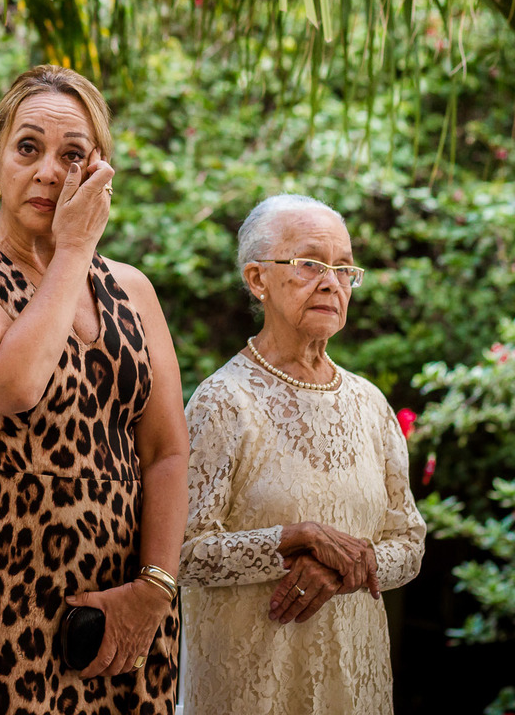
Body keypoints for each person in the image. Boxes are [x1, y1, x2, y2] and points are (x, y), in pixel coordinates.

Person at [0, 65, 190, 714]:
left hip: (131, 602)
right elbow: (15, 384)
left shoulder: (133, 289)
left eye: (72, 156)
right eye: (28, 147)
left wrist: (155, 588)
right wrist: (71, 251)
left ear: (100, 174)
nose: (47, 171)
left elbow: (168, 450)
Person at [179, 194, 426, 715]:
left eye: (343, 269)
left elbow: (408, 542)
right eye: (311, 263)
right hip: (250, 687)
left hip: (355, 685)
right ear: (257, 279)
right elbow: (184, 554)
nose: (331, 282)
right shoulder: (223, 401)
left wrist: (340, 571)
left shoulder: (369, 403)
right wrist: (297, 539)